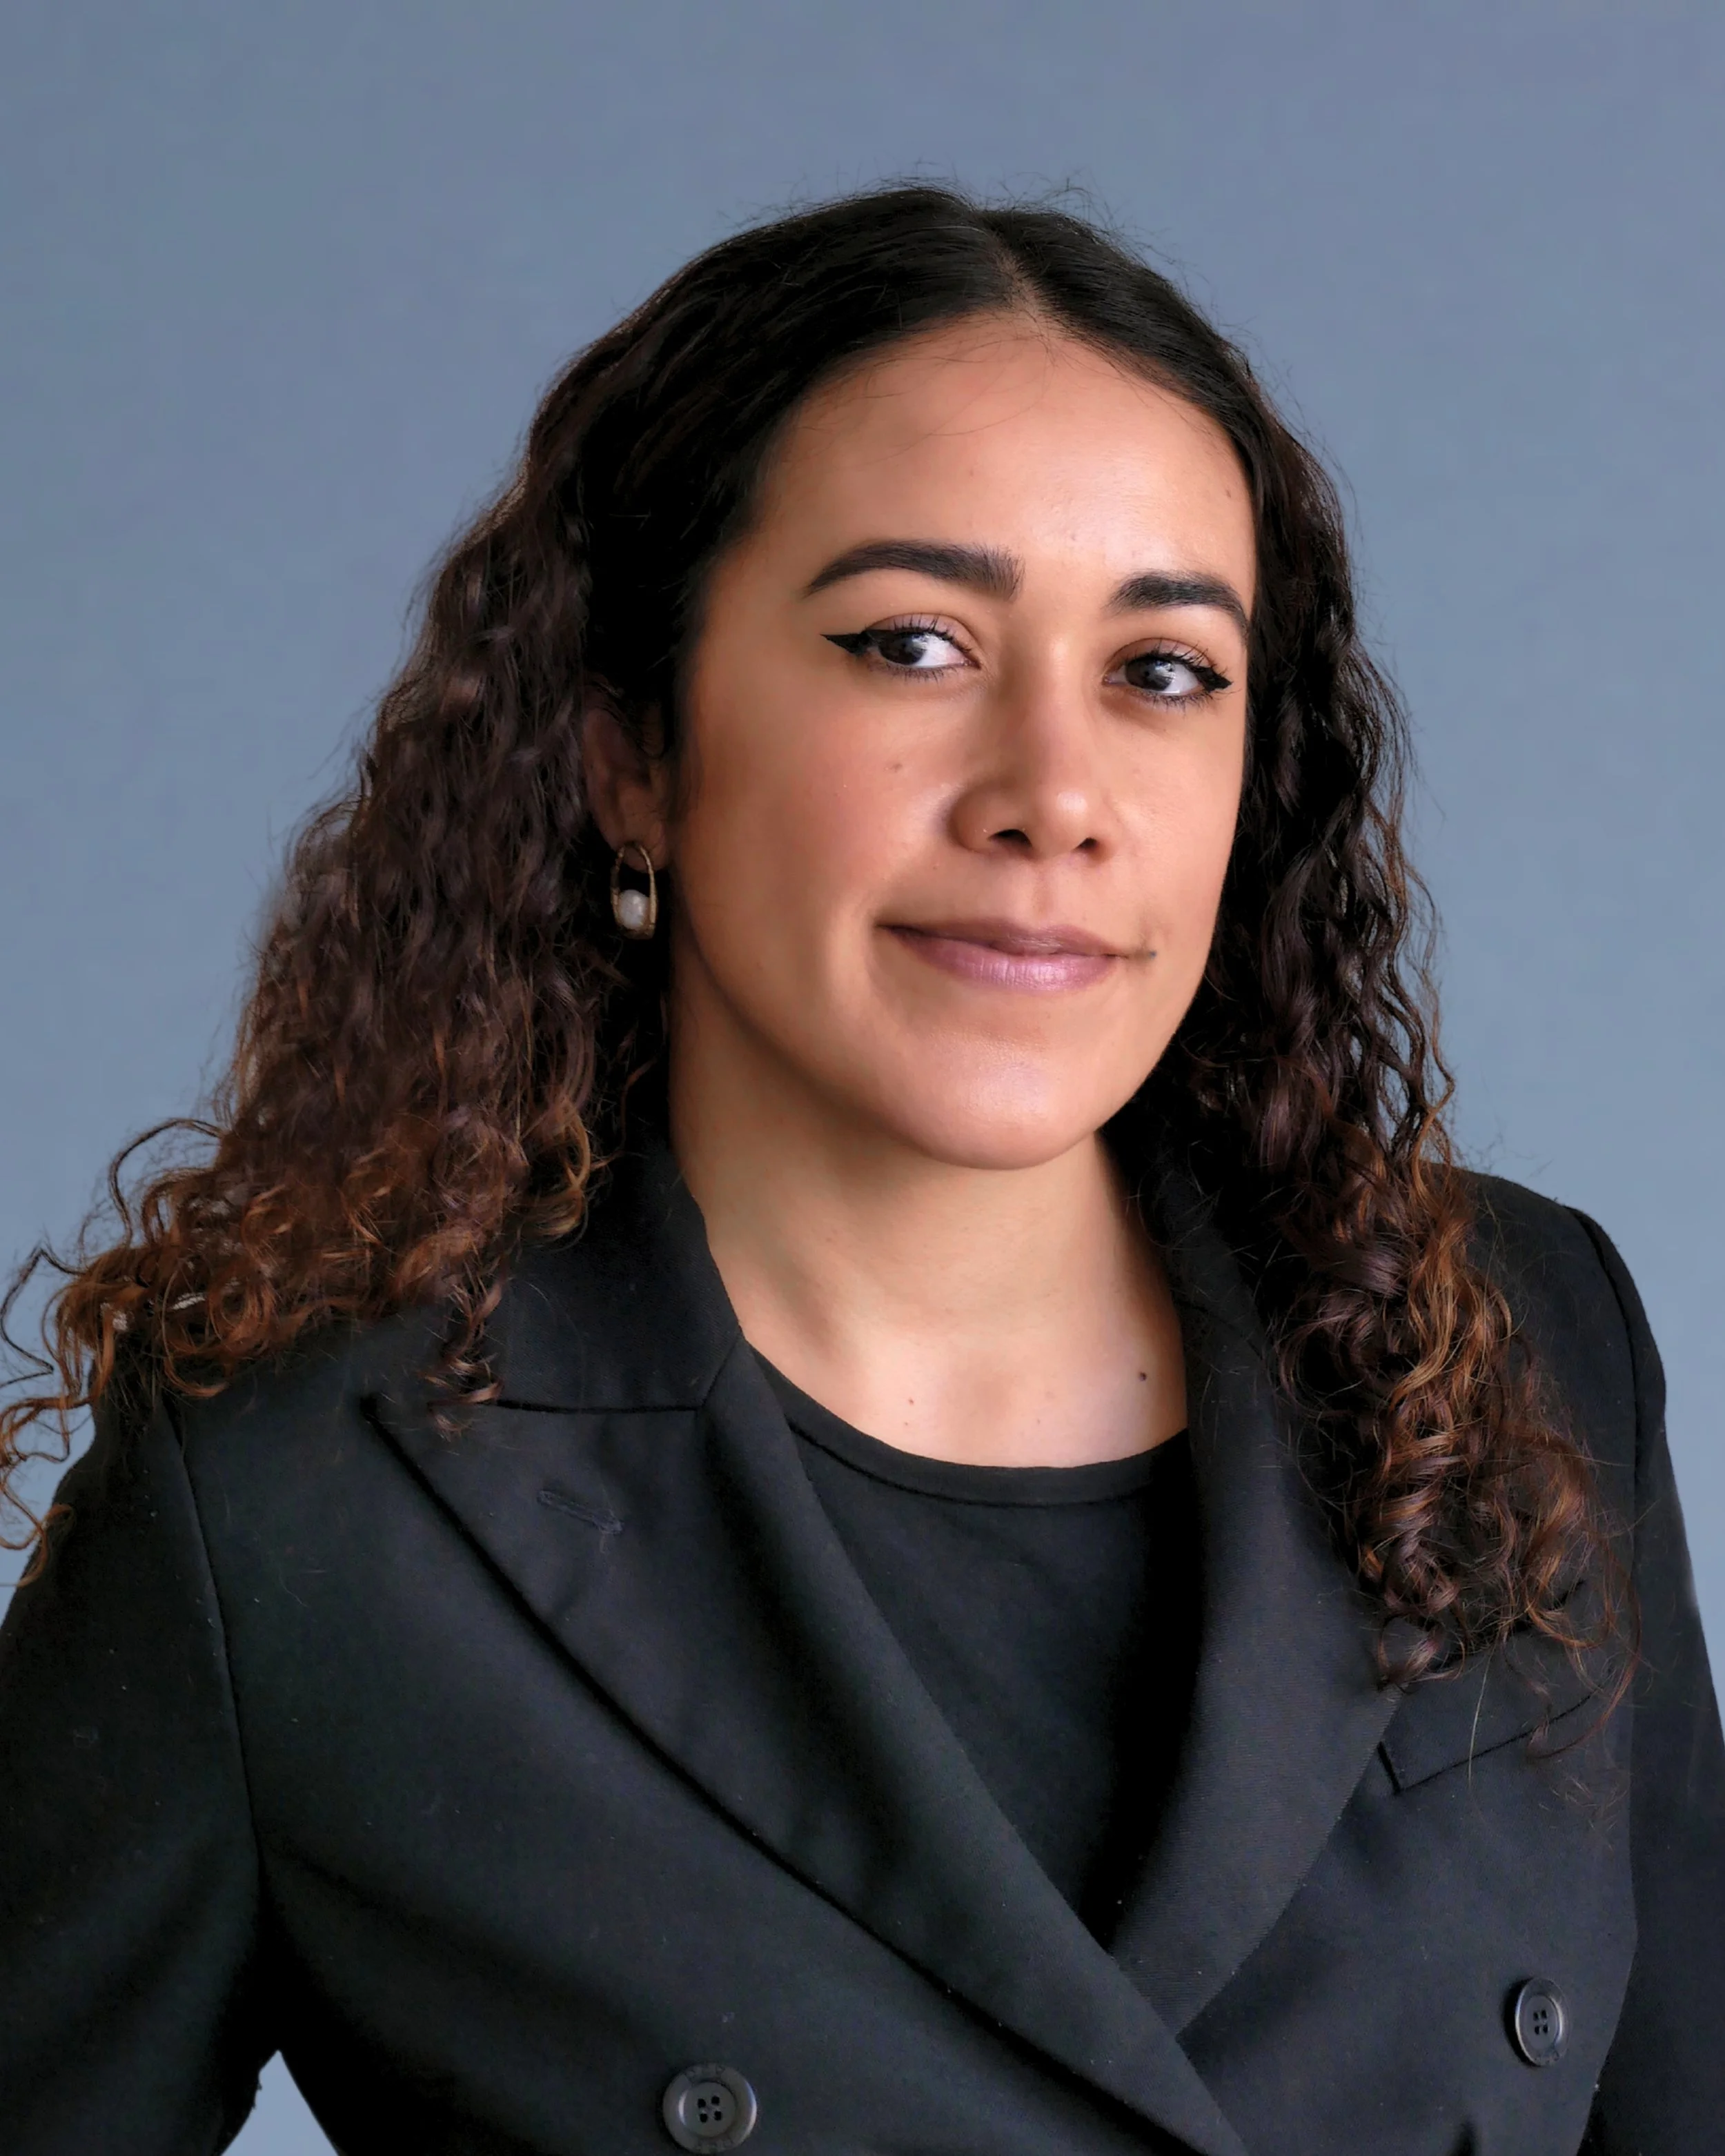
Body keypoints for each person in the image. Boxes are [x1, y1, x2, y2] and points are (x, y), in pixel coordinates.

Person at [0, 186, 1718, 2156]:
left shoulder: (1514, 1343)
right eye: (910, 644)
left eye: (1160, 670)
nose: (1050, 799)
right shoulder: (302, 1497)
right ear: (633, 750)